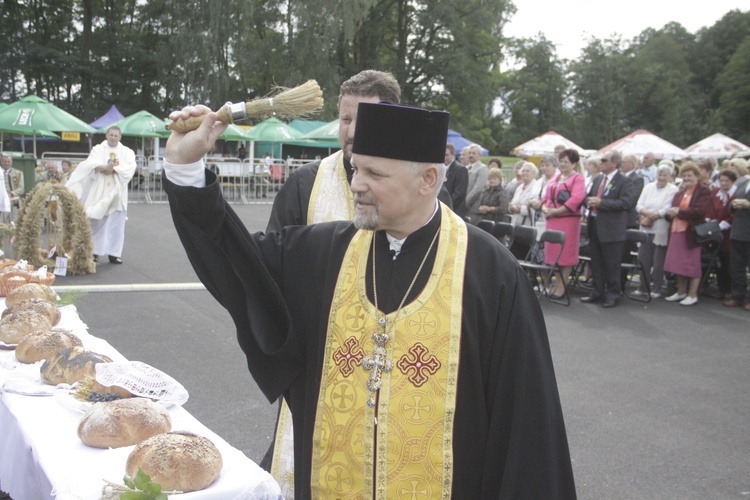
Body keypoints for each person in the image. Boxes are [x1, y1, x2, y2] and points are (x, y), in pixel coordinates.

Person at [163, 101, 576, 498]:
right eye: (356, 168)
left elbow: (528, 428)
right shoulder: (324, 253)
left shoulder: (490, 273)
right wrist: (186, 169)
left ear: (428, 180)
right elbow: (237, 265)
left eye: (375, 174)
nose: (356, 183)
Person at [267, 70, 451, 233]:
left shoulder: (423, 188)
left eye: (363, 120)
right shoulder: (304, 183)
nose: (352, 132)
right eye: (346, 119)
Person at [66, 126, 136, 264]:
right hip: (100, 189)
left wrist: (114, 170)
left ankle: (114, 253)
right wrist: (104, 168)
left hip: (117, 190)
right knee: (95, 219)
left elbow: (130, 167)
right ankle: (94, 252)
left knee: (116, 222)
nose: (113, 138)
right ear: (106, 135)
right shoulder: (98, 149)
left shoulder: (127, 151)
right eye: (111, 135)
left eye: (116, 135)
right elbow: (91, 164)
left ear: (120, 137)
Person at [582, 151, 637, 308]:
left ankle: (613, 293)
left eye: (604, 160)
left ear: (614, 163)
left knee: (612, 263)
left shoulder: (624, 181)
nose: (601, 162)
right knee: (596, 261)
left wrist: (602, 204)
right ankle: (597, 291)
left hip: (612, 229)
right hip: (595, 225)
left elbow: (626, 203)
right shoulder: (599, 179)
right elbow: (589, 196)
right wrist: (589, 201)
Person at [663, 162, 713, 305]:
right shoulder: (679, 193)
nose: (686, 178)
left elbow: (700, 211)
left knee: (692, 264)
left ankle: (692, 294)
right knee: (678, 263)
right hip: (676, 231)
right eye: (684, 176)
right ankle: (680, 292)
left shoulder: (703, 191)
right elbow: (671, 210)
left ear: (696, 176)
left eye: (689, 175)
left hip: (691, 232)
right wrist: (670, 213)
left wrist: (679, 211)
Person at [541, 149, 586, 299]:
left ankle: (562, 285)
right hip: (552, 219)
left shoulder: (578, 178)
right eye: (561, 161)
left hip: (568, 220)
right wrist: (544, 208)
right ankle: (555, 283)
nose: (563, 164)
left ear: (574, 163)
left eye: (566, 162)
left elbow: (577, 198)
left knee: (565, 254)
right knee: (553, 253)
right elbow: (546, 195)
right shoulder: (556, 178)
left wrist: (558, 211)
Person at [634, 164, 679, 298]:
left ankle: (657, 288)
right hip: (645, 227)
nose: (662, 177)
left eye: (665, 175)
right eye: (660, 174)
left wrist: (654, 216)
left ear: (670, 176)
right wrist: (647, 214)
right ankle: (643, 286)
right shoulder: (648, 187)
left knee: (658, 260)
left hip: (660, 227)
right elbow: (639, 205)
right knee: (643, 258)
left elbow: (667, 207)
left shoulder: (673, 189)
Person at [724, 165, 750, 310]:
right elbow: (730, 205)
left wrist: (748, 205)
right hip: (738, 231)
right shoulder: (743, 184)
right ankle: (738, 295)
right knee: (736, 265)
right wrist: (733, 205)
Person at [711, 169, 737, 299]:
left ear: (732, 181)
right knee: (718, 261)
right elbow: (710, 208)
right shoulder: (716, 192)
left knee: (728, 262)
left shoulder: (736, 194)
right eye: (721, 180)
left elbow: (733, 214)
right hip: (716, 232)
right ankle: (721, 288)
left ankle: (729, 290)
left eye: (726, 181)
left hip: (729, 233)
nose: (723, 183)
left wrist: (723, 224)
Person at [508, 161, 539, 227]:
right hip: (515, 223)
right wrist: (511, 207)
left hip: (528, 224)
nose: (524, 173)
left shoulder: (536, 187)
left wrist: (520, 209)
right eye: (523, 171)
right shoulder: (519, 188)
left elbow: (536, 208)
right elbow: (513, 202)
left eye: (527, 171)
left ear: (534, 174)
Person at [443, 142, 468, 217]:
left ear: (453, 155)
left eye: (446, 155)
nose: (444, 157)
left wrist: (445, 205)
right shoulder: (441, 169)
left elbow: (459, 194)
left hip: (454, 211)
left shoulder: (461, 169)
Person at [0, 153, 24, 223]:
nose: (7, 163)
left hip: (13, 197)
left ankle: (2, 225)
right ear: (1, 162)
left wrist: (11, 193)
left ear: (11, 162)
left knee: (6, 203)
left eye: (8, 162)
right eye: (5, 161)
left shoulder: (18, 173)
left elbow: (21, 188)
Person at [464, 144, 488, 210]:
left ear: (480, 155)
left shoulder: (482, 168)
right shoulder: (465, 168)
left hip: (474, 206)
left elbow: (478, 188)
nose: (471, 155)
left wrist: (465, 201)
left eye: (474, 153)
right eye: (469, 153)